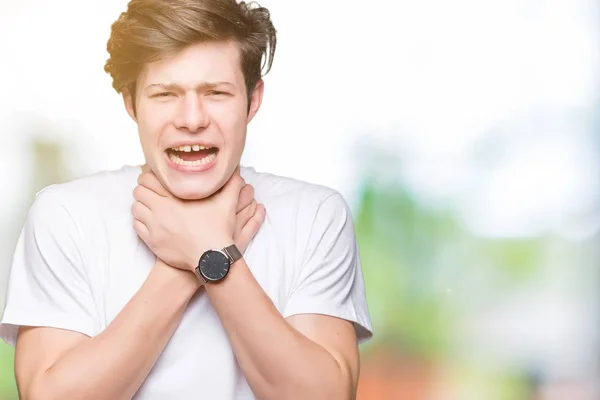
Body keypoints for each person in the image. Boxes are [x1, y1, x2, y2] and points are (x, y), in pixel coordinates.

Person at [0, 0, 372, 398]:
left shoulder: (315, 215)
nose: (192, 119)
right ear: (131, 102)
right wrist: (198, 257)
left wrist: (210, 253)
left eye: (215, 92)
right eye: (165, 94)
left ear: (252, 99)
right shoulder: (65, 216)